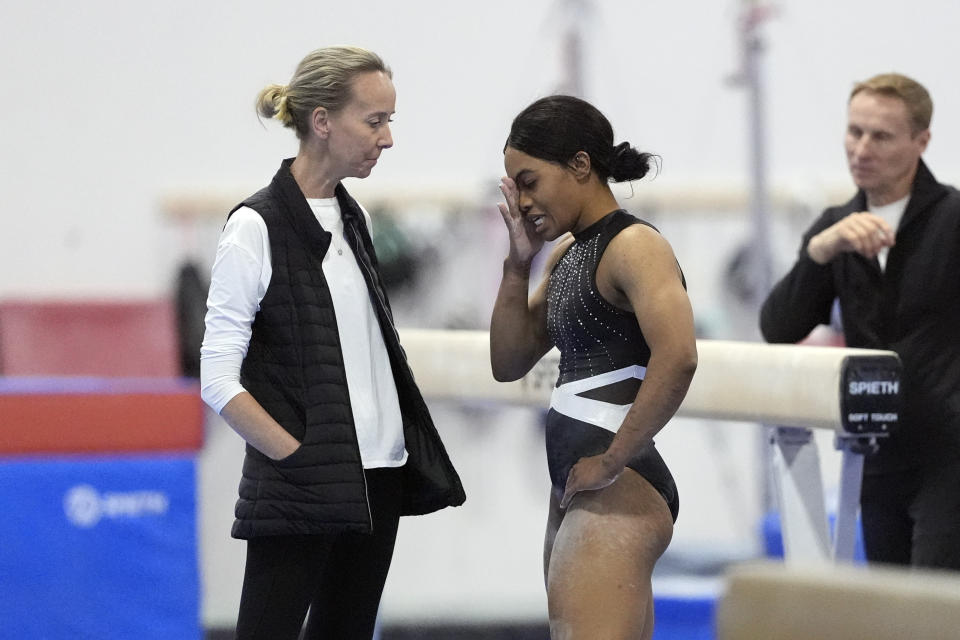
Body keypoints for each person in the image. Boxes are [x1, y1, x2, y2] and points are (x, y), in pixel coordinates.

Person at [199, 46, 465, 639]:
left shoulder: (354, 218)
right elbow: (218, 376)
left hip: (377, 474)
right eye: (375, 121)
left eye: (389, 121)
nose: (388, 138)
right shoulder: (255, 226)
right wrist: (295, 456)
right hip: (302, 479)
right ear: (322, 121)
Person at [490, 95, 698, 639]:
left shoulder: (635, 245)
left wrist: (611, 460)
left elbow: (678, 358)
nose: (524, 201)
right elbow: (507, 361)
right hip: (581, 482)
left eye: (530, 181)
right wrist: (517, 265)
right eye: (515, 188)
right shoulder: (565, 254)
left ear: (580, 165)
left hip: (617, 484)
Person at [760, 73, 960, 570]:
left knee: (934, 610)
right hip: (877, 456)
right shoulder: (836, 228)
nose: (862, 149)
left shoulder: (953, 219)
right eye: (855, 132)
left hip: (950, 455)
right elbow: (778, 327)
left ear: (921, 142)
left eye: (881, 136)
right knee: (891, 610)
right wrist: (818, 253)